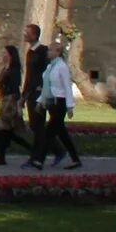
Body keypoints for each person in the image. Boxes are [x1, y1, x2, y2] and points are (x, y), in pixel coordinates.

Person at [30, 41, 84, 169]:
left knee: (49, 132)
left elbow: (67, 86)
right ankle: (76, 160)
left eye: (51, 50)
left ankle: (39, 160)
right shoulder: (50, 67)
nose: (48, 52)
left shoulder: (62, 67)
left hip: (60, 102)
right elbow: (46, 87)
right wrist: (40, 101)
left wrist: (70, 105)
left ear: (58, 52)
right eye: (48, 50)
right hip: (51, 102)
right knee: (62, 133)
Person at [0, 42, 31, 164]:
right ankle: (3, 157)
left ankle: (31, 150)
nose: (3, 55)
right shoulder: (5, 68)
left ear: (11, 55)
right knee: (6, 131)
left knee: (3, 129)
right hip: (4, 100)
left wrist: (17, 103)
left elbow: (15, 87)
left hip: (10, 101)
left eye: (5, 53)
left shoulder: (14, 70)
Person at [21, 22, 52, 151]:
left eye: (27, 33)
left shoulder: (43, 51)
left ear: (34, 35)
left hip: (39, 92)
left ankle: (39, 153)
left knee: (38, 124)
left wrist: (43, 88)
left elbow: (47, 72)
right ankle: (48, 150)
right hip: (31, 92)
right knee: (34, 124)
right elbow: (29, 75)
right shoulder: (30, 52)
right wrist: (24, 95)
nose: (24, 35)